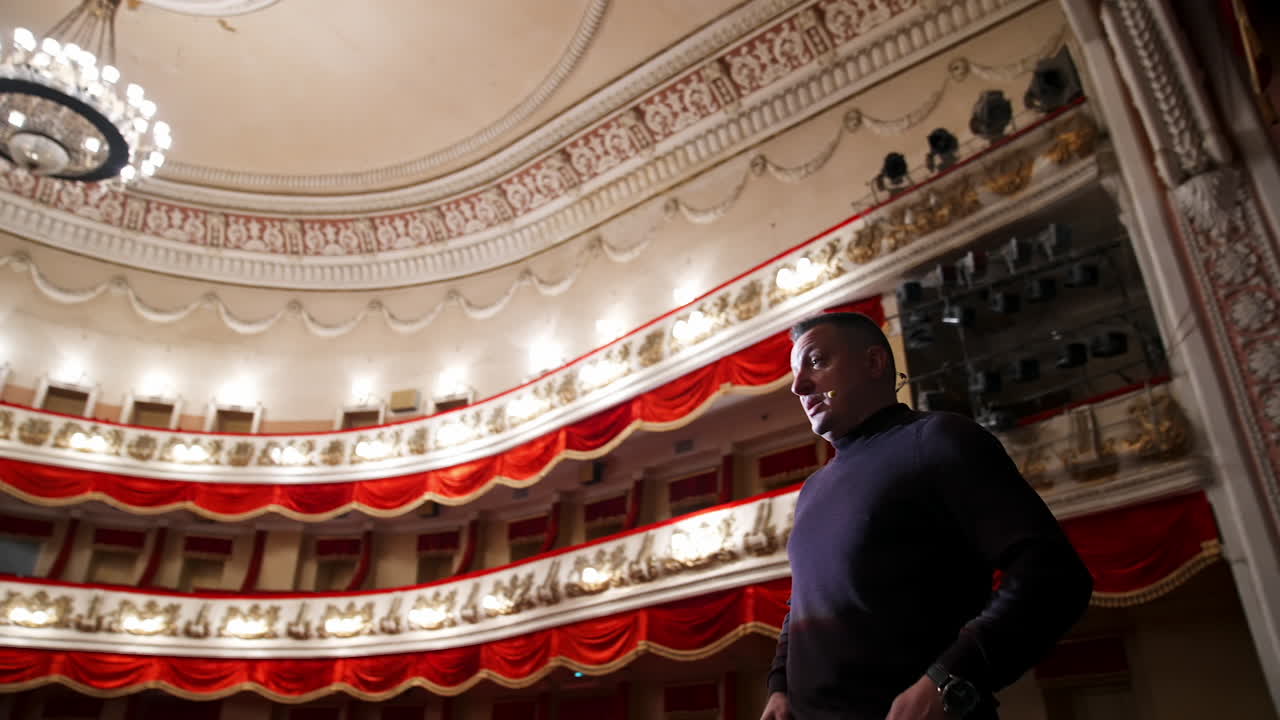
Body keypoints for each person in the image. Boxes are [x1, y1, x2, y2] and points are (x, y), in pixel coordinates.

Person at [762, 312, 1093, 720]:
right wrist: (780, 688)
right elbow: (804, 601)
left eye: (816, 362)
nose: (799, 386)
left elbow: (1053, 574)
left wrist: (950, 679)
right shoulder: (813, 489)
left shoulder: (937, 440)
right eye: (795, 373)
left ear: (874, 363)